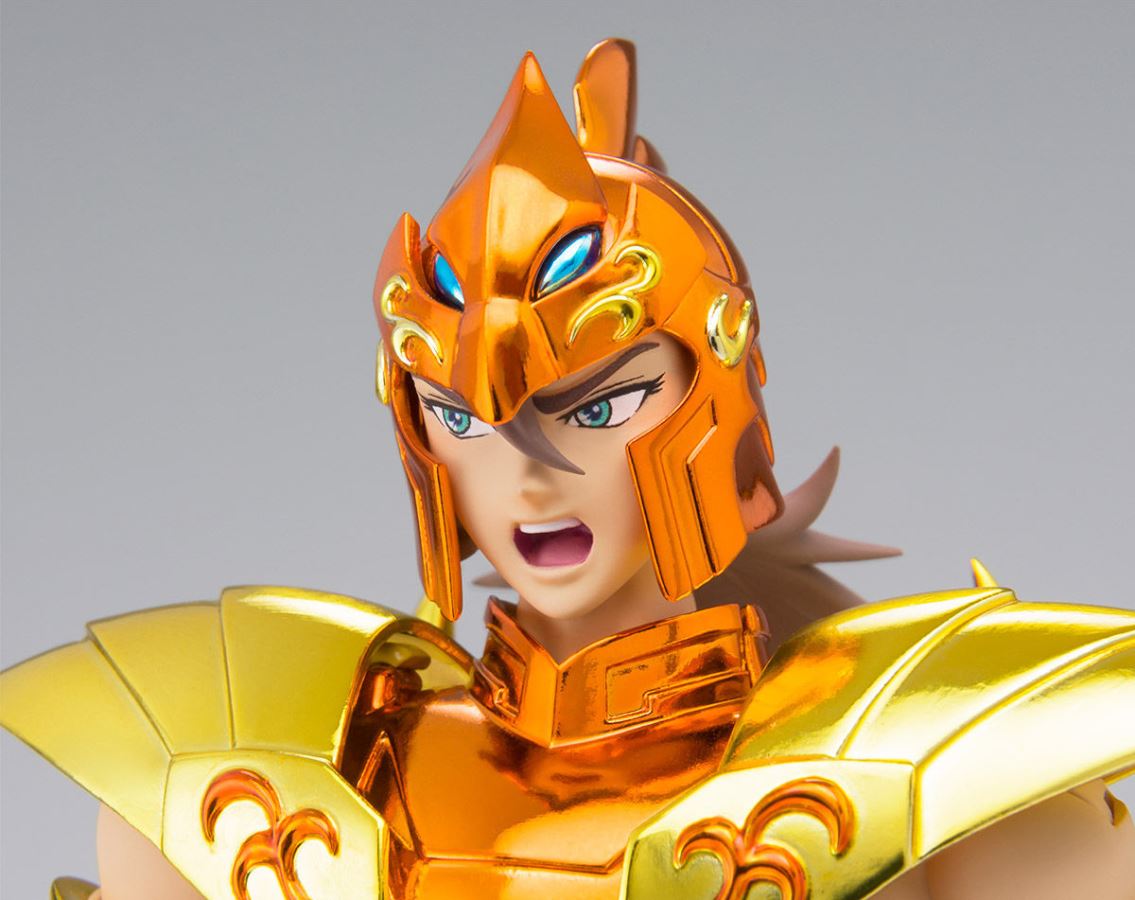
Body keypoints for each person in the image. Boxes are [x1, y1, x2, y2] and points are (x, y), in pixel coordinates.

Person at [3, 39, 1133, 900]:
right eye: (463, 417)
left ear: (709, 395)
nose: (527, 479)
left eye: (595, 406)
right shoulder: (275, 768)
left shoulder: (925, 776)